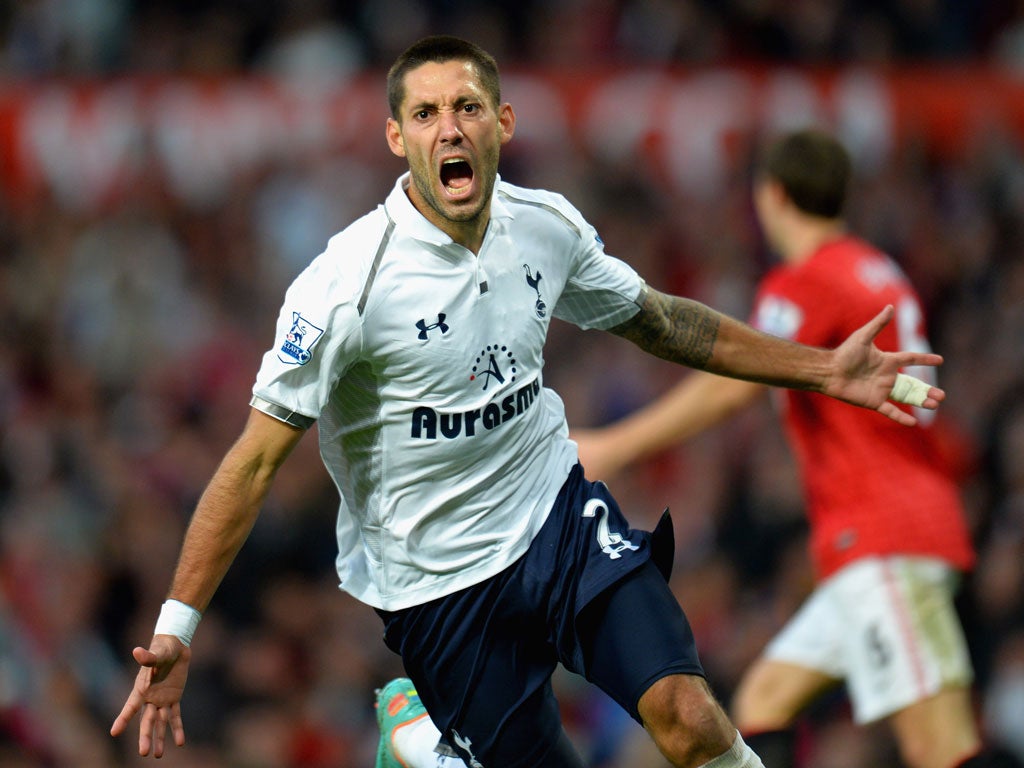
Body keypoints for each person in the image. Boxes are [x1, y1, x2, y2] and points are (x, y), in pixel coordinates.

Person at [109, 39, 944, 768]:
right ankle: (420, 737)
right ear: (398, 138)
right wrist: (178, 629)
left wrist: (822, 371)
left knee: (688, 718)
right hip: (436, 584)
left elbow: (661, 322)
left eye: (467, 106)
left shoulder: (545, 226)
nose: (450, 128)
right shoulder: (343, 288)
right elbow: (252, 464)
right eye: (427, 113)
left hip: (554, 518)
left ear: (501, 123)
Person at [571, 129, 1021, 768]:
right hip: (883, 531)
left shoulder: (806, 280)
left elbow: (733, 382)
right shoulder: (875, 268)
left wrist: (616, 445)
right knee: (765, 699)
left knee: (937, 748)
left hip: (882, 536)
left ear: (772, 195)